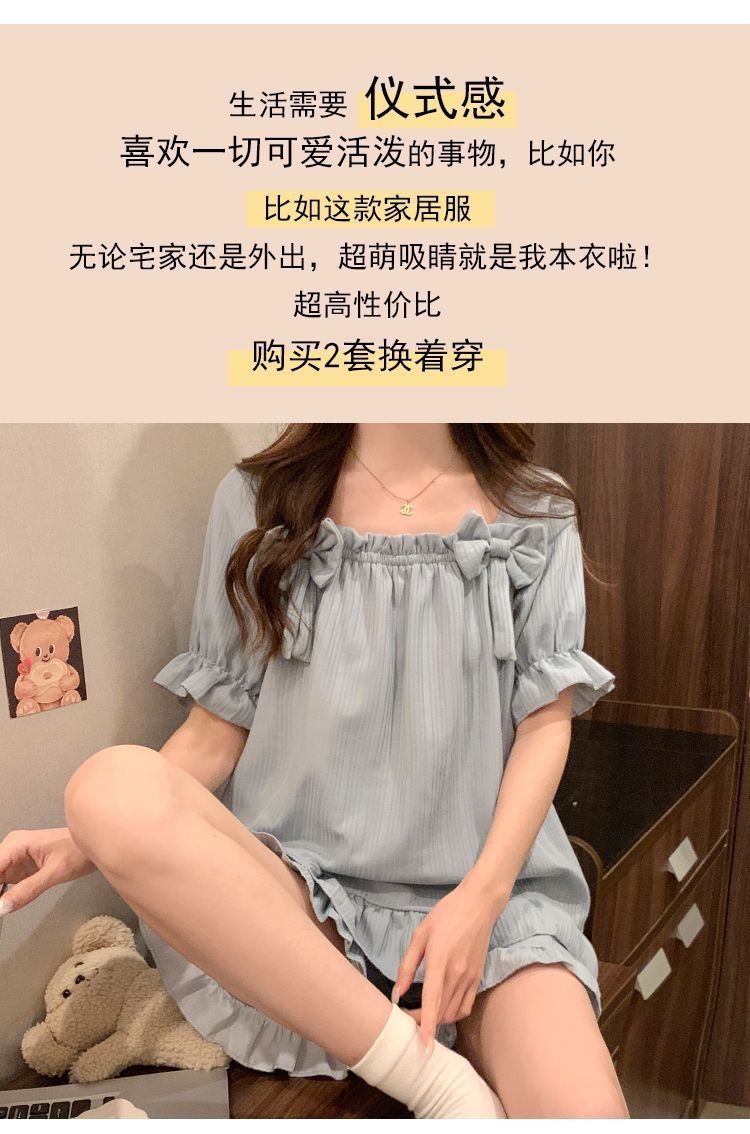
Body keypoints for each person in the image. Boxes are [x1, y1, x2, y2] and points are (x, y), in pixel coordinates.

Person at [0, 424, 630, 1119]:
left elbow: (544, 724)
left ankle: (424, 1049)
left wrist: (481, 898)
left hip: (490, 908)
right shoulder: (257, 501)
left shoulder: (536, 509)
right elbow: (217, 730)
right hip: (306, 901)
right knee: (106, 789)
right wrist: (87, 839)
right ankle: (438, 1085)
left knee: (588, 1114)